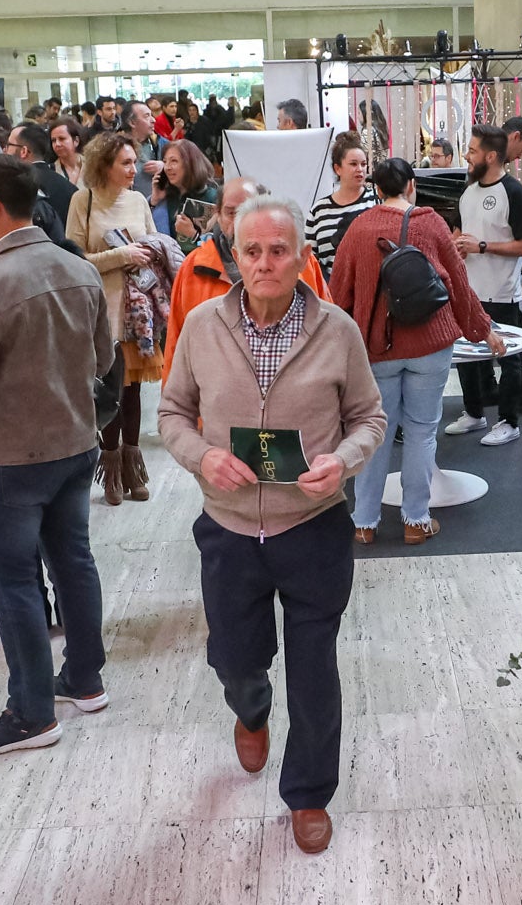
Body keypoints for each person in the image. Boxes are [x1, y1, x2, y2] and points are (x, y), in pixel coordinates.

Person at [158, 195, 386, 856]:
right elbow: (172, 413)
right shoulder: (203, 326)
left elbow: (369, 418)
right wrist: (205, 457)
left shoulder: (337, 331)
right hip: (229, 529)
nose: (264, 263)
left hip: (313, 526)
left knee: (314, 669)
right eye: (252, 251)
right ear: (235, 256)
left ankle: (309, 793)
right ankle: (249, 709)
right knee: (235, 658)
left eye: (278, 251)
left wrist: (341, 463)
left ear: (301, 258)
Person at [0, 150, 114, 758]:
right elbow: (105, 361)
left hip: (9, 459)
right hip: (74, 443)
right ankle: (84, 679)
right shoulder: (79, 269)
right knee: (74, 561)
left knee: (13, 582)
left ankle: (32, 713)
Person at [329, 155, 495, 545]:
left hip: (377, 348)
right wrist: (481, 329)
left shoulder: (359, 228)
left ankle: (364, 522)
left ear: (376, 189)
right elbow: (458, 282)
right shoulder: (431, 223)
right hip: (429, 346)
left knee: (373, 433)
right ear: (411, 185)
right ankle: (416, 521)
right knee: (422, 432)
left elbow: (339, 294)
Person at [66, 132, 177, 506]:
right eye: (125, 163)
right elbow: (74, 257)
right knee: (108, 390)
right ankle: (110, 471)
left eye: (134, 162)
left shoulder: (137, 200)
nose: (134, 170)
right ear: (104, 166)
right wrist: (121, 255)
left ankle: (133, 470)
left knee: (132, 394)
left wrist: (147, 252)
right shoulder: (83, 201)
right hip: (99, 310)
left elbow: (152, 242)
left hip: (137, 311)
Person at [448, 123, 522, 443]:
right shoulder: (467, 191)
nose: (467, 155)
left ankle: (509, 420)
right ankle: (474, 413)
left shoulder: (514, 193)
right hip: (469, 290)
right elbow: (457, 232)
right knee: (465, 355)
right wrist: (455, 248)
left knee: (509, 357)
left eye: (473, 150)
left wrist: (482, 247)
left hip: (501, 292)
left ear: (491, 156)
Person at [172, 172, 331, 346]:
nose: (239, 222)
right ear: (218, 214)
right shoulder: (193, 268)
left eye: (248, 210)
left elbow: (328, 330)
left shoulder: (301, 262)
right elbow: (177, 344)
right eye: (231, 213)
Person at [306, 134, 372, 270]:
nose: (360, 169)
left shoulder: (376, 201)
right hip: (330, 287)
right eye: (353, 164)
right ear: (338, 169)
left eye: (363, 164)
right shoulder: (319, 210)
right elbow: (311, 260)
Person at [19, 120, 77, 235]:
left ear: (76, 141)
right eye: (53, 140)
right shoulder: (52, 170)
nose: (57, 144)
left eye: (62, 139)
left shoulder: (92, 169)